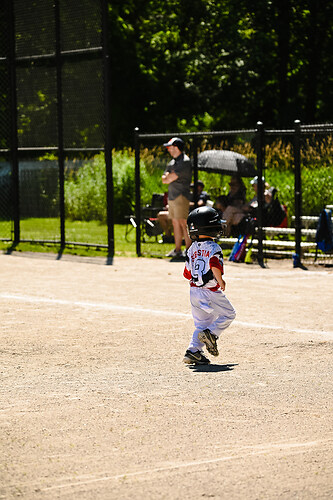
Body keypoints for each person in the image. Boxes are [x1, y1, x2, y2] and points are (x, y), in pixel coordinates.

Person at [183, 206, 236, 365]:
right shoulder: (214, 247)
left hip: (194, 291)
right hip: (210, 291)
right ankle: (212, 334)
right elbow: (214, 264)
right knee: (229, 314)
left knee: (201, 324)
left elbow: (187, 273)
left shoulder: (191, 248)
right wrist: (221, 281)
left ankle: (193, 351)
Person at [160, 137, 192, 257]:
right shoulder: (173, 162)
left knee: (183, 222)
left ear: (177, 147)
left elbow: (170, 178)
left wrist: (168, 176)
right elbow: (164, 179)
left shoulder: (184, 161)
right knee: (175, 223)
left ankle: (189, 251)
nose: (168, 150)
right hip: (173, 196)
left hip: (181, 196)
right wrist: (167, 176)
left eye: (170, 147)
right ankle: (177, 250)